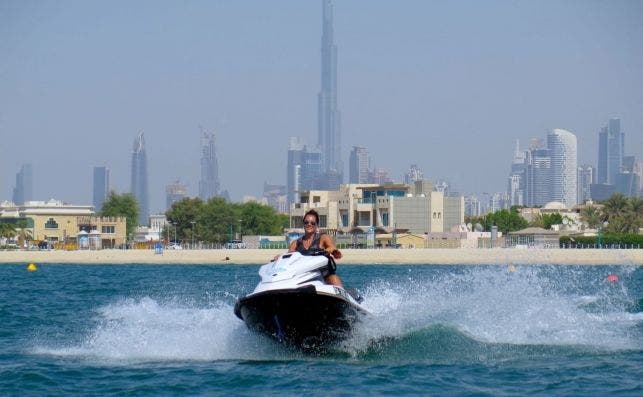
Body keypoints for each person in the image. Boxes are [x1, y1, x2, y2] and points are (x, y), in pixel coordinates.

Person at [287, 209, 344, 287]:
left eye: (312, 223)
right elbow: (288, 257)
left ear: (316, 225)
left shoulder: (323, 238)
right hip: (304, 277)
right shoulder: (296, 243)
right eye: (306, 222)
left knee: (334, 279)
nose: (309, 224)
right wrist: (279, 258)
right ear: (303, 224)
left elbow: (332, 247)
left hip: (325, 275)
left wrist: (333, 251)